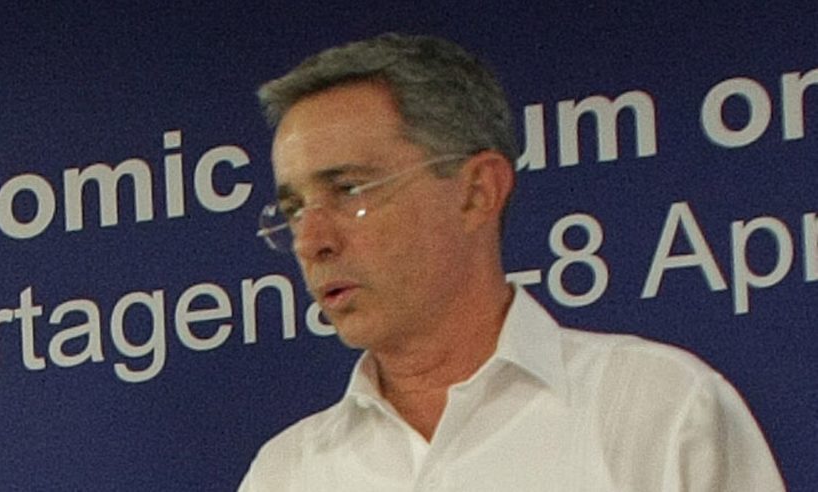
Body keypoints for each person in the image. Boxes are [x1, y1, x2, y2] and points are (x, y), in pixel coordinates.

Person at [239, 33, 785, 491]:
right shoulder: (286, 474)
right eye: (294, 209)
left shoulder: (659, 410)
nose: (311, 241)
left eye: (349, 189)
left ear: (477, 192)